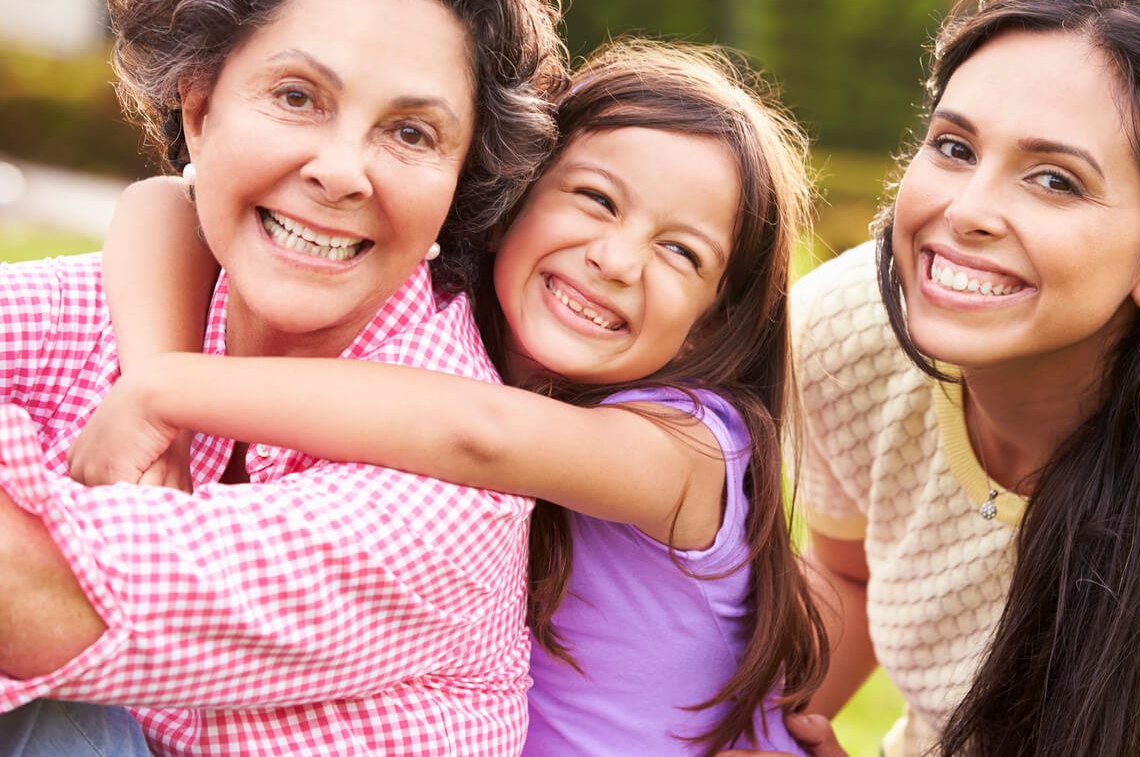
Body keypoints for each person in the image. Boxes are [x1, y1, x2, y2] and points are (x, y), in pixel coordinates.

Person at [67, 39, 830, 755]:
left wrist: (172, 392)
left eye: (681, 252)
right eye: (597, 200)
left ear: (709, 325)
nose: (618, 259)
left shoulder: (689, 450)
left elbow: (484, 435)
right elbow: (168, 203)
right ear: (512, 197)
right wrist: (154, 384)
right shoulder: (444, 327)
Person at [0, 0, 566, 752]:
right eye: (298, 96)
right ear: (199, 107)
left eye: (412, 133)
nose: (341, 171)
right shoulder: (120, 304)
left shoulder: (453, 490)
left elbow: (38, 599)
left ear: (459, 183)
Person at [786, 0, 1140, 756]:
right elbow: (850, 575)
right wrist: (761, 734)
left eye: (1053, 180)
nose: (964, 212)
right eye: (954, 146)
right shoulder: (849, 333)